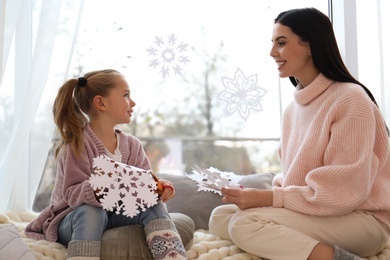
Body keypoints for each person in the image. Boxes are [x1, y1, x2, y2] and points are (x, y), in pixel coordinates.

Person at [209, 7, 390, 260]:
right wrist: (264, 197)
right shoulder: (293, 109)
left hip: (361, 220)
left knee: (243, 224)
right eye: (273, 44)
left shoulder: (350, 99)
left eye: (281, 43)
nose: (272, 53)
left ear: (310, 45)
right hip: (321, 213)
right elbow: (295, 179)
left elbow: (344, 191)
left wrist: (269, 198)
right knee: (220, 217)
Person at [25, 69, 187, 260]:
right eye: (126, 95)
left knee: (154, 206)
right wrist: (107, 186)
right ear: (101, 103)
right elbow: (72, 194)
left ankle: (172, 257)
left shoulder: (133, 145)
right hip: (74, 218)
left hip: (117, 215)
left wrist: (159, 187)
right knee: (92, 211)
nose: (133, 102)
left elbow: (144, 179)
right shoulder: (76, 145)